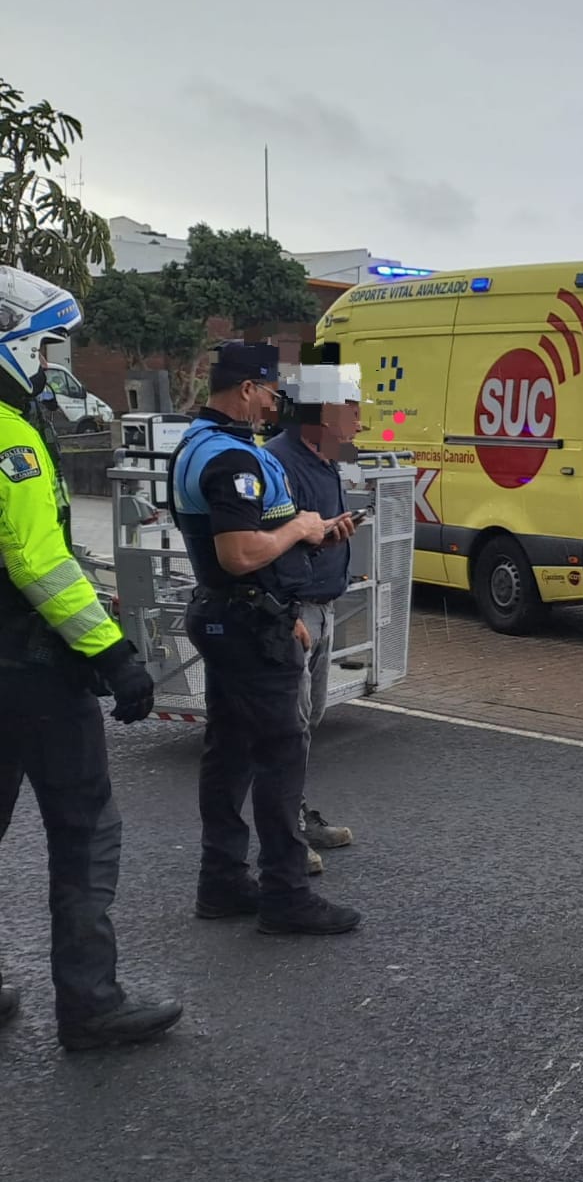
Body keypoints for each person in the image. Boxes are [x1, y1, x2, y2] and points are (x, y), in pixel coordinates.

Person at [0, 266, 182, 1049]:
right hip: (33, 675)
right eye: (44, 348)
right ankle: (91, 1004)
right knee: (84, 833)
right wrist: (113, 655)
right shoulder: (12, 439)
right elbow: (38, 564)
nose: (50, 364)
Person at [170, 342, 362, 935]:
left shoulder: (196, 444)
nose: (274, 403)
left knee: (228, 751)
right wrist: (302, 526)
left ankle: (222, 881)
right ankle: (286, 894)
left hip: (239, 614)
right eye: (270, 392)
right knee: (281, 753)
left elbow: (255, 538)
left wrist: (310, 537)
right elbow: (239, 553)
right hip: (248, 619)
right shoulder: (232, 459)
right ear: (248, 389)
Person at [265, 344, 361, 863]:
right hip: (293, 610)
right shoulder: (280, 461)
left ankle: (294, 816)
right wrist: (287, 614)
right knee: (286, 727)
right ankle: (282, 839)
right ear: (321, 413)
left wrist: (330, 535)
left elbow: (311, 532)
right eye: (353, 408)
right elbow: (267, 540)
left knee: (307, 722)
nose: (361, 423)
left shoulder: (326, 461)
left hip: (320, 607)